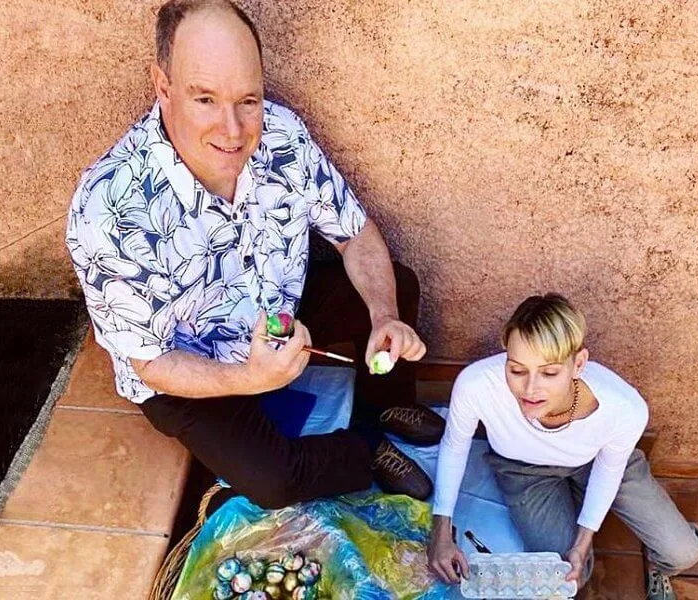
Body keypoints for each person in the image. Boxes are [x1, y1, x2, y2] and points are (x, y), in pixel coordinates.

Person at [65, 0, 445, 508]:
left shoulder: (281, 134)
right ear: (163, 87)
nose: (234, 131)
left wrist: (384, 316)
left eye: (248, 100)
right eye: (205, 100)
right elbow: (152, 362)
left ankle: (388, 405)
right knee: (274, 481)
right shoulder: (108, 208)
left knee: (397, 283)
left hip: (279, 311)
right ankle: (366, 450)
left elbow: (354, 234)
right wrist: (249, 378)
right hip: (193, 364)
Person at [427, 293, 698, 600]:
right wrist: (441, 531)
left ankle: (656, 564)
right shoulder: (476, 384)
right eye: (517, 370)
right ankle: (570, 505)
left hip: (598, 461)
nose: (531, 389)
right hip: (525, 471)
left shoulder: (624, 407)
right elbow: (454, 446)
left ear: (578, 364)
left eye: (549, 373)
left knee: (682, 552)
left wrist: (583, 539)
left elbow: (609, 469)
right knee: (566, 576)